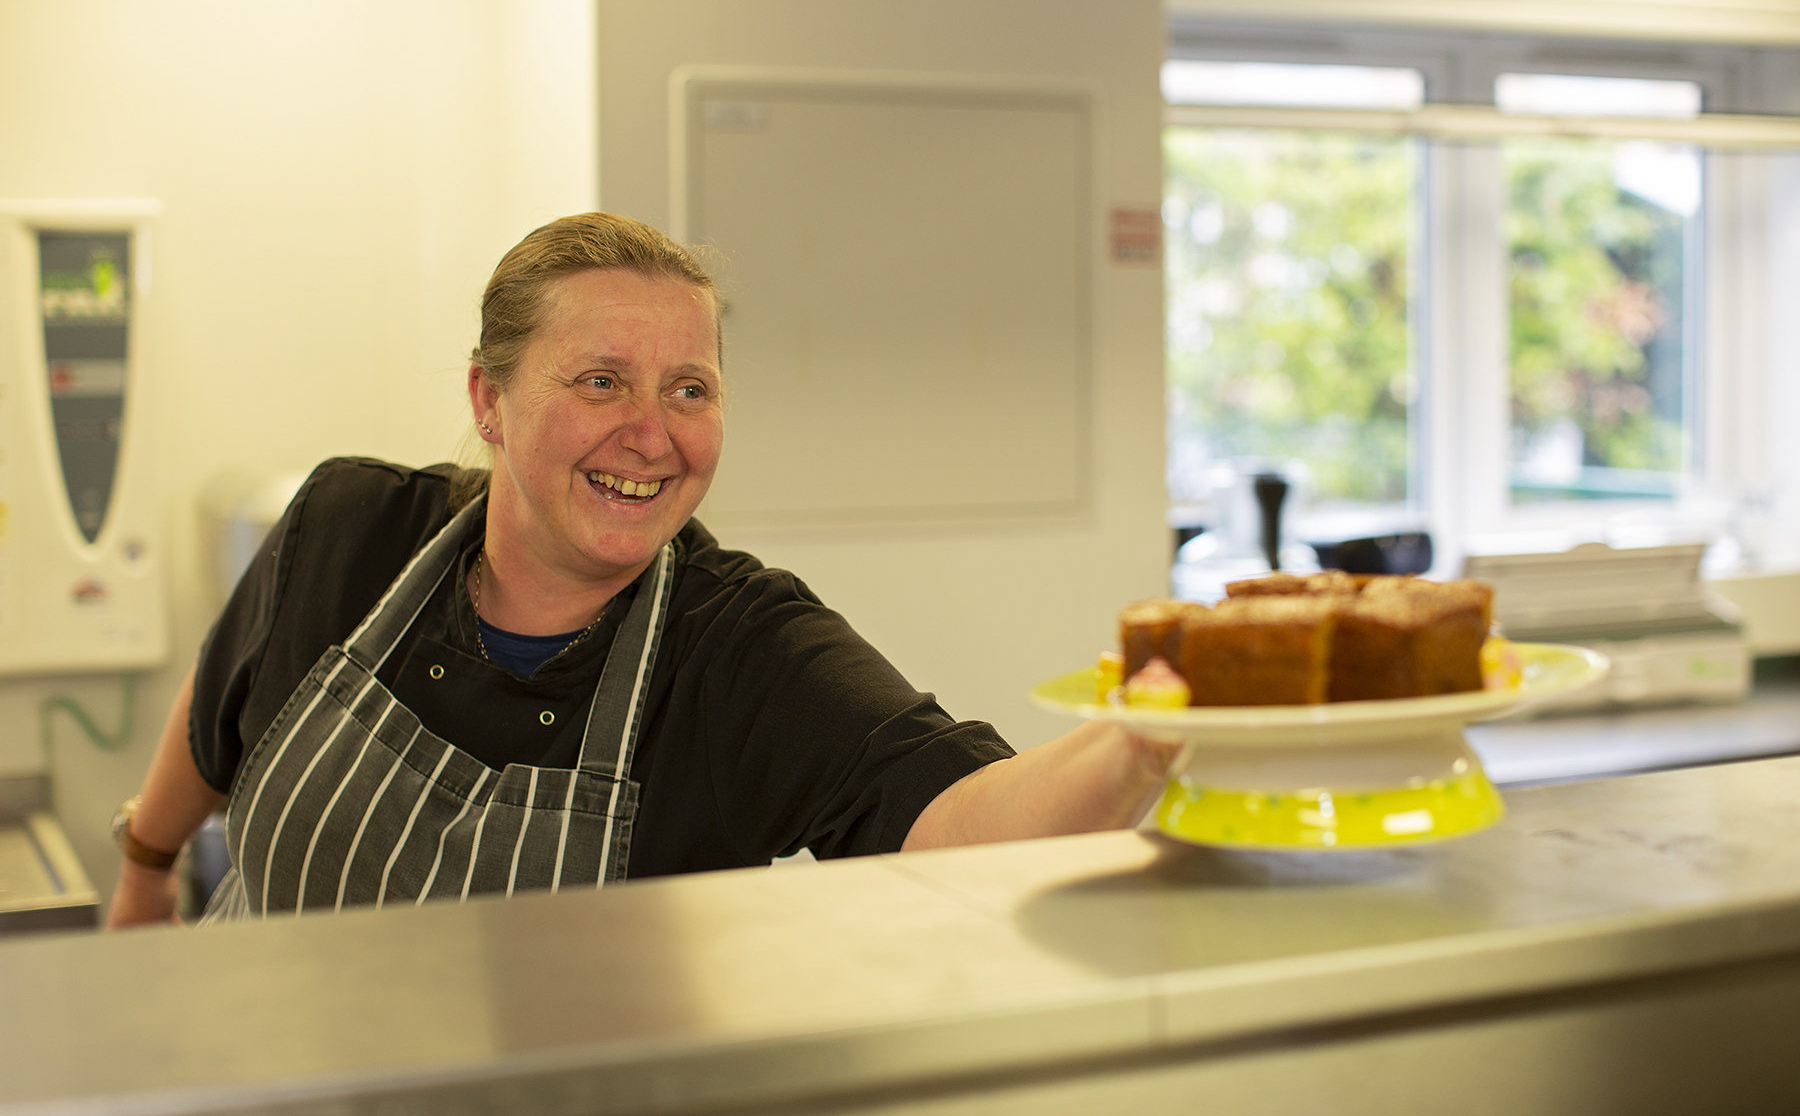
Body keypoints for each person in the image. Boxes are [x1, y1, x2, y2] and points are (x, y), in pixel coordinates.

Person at [107, 213, 1174, 927]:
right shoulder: (352, 527)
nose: (652, 435)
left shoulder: (742, 650)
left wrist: (1137, 740)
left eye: (691, 390)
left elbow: (962, 823)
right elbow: (222, 697)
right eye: (603, 381)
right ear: (490, 399)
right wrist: (146, 865)